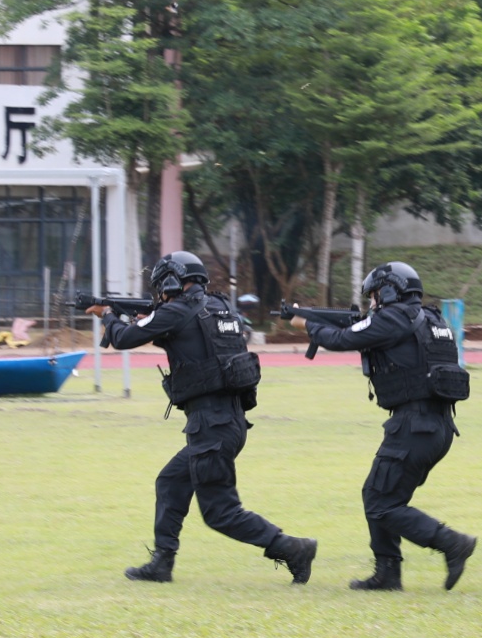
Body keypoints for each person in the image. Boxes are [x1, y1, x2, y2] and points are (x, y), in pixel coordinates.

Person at [91, 251, 318, 586]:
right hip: (227, 421)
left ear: (171, 281)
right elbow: (188, 340)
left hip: (212, 424)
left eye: (162, 289)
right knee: (170, 482)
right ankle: (162, 562)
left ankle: (291, 548)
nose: (160, 297)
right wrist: (146, 317)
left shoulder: (179, 310)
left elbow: (124, 338)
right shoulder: (220, 309)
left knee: (220, 512)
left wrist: (108, 315)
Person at [292, 261, 477, 592]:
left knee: (381, 502)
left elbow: (341, 338)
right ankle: (387, 572)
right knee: (380, 496)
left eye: (375, 296)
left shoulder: (394, 318)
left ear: (391, 291)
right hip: (436, 426)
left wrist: (309, 325)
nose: (372, 304)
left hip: (413, 426)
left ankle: (451, 543)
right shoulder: (434, 320)